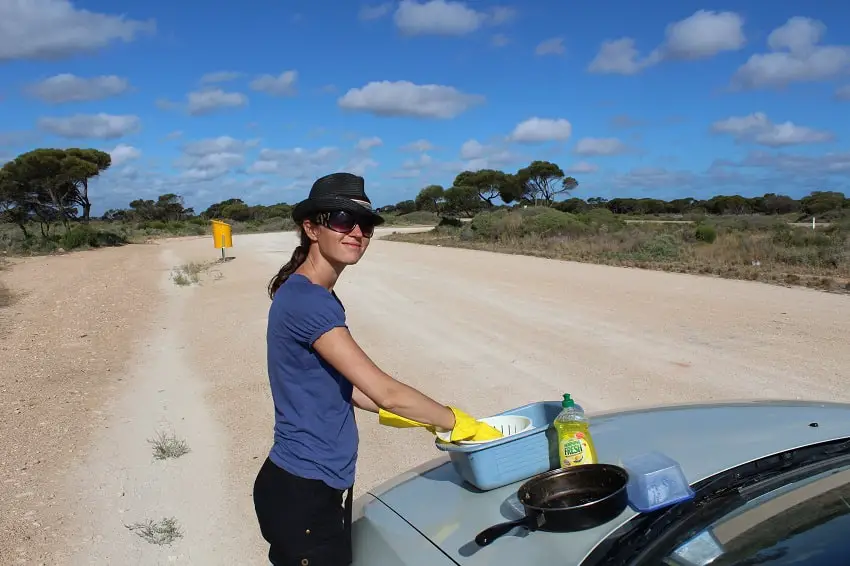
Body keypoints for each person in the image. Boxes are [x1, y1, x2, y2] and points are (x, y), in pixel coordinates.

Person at [252, 172, 501, 566]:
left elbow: (346, 386)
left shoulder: (310, 291)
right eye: (340, 219)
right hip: (303, 492)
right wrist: (456, 422)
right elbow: (386, 390)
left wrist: (423, 421)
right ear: (311, 228)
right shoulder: (309, 301)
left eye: (365, 224)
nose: (356, 233)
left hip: (311, 486)